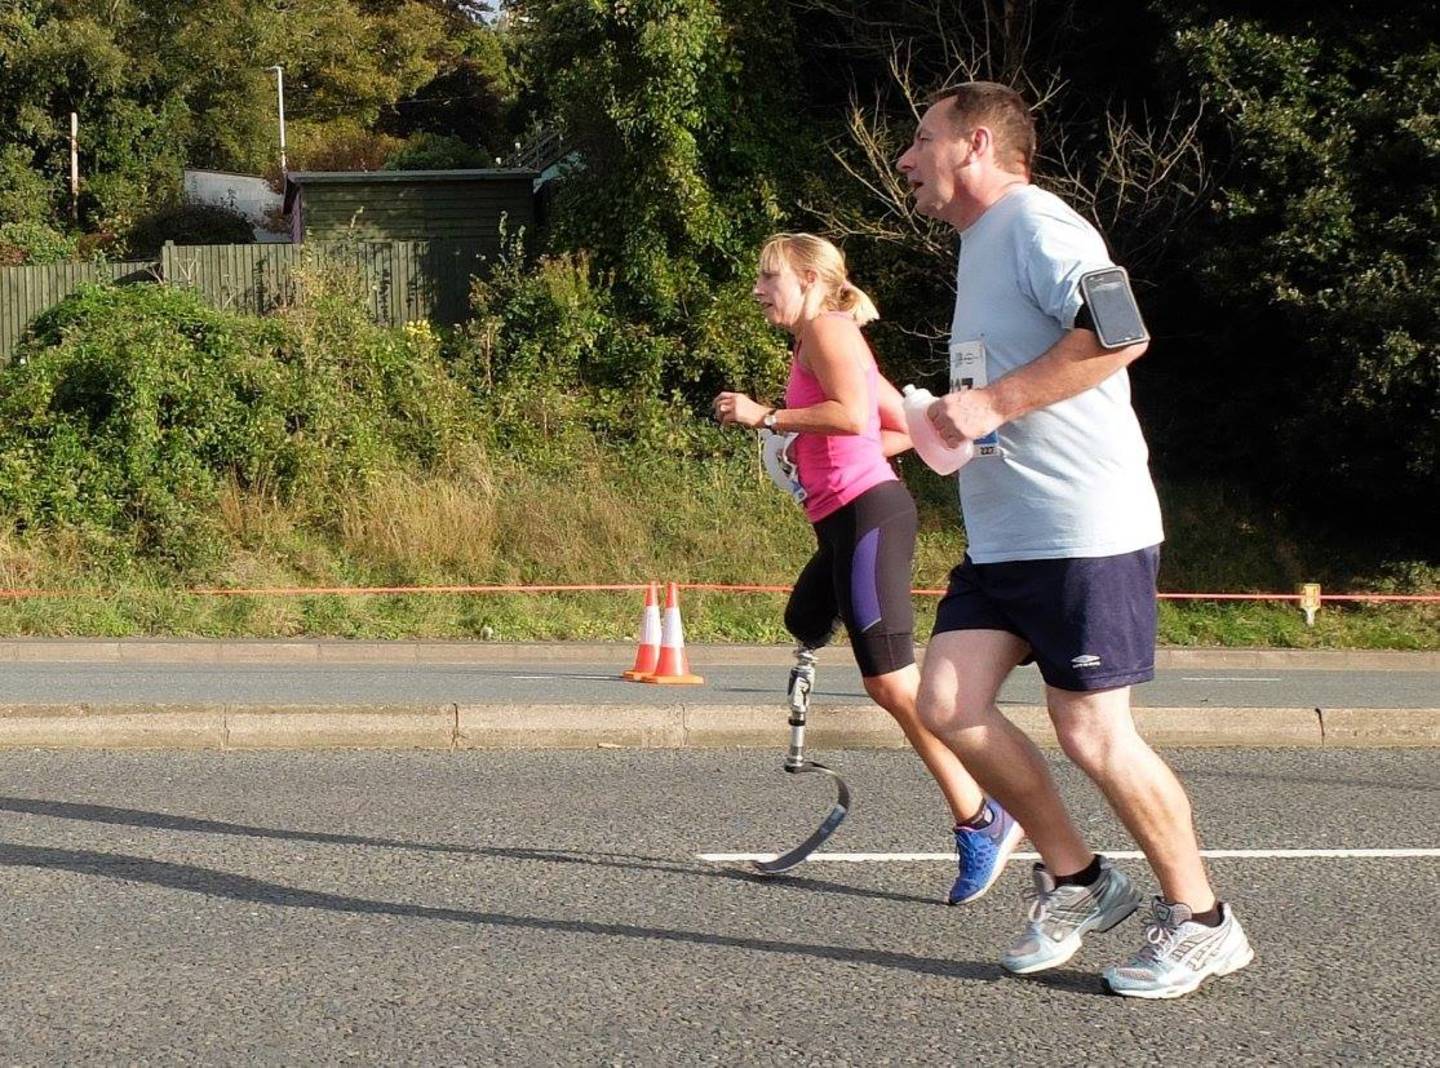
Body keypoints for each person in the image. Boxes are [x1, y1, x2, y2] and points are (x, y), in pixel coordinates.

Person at [896, 81, 1252, 998]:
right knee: (945, 703)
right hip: (1006, 536)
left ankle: (1205, 920)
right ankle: (1081, 881)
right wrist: (929, 422)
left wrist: (989, 403)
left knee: (1094, 732)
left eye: (919, 139)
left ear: (974, 144)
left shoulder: (1037, 224)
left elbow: (1120, 333)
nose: (905, 159)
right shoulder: (981, 248)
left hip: (1083, 528)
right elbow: (992, 391)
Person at [714, 232, 1022, 905]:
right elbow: (899, 425)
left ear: (807, 277)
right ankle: (985, 811)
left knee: (891, 686)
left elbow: (848, 415)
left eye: (769, 278)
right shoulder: (828, 337)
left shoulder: (827, 330)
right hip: (844, 519)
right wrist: (812, 457)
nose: (760, 291)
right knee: (804, 619)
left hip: (867, 517)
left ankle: (982, 818)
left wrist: (767, 417)